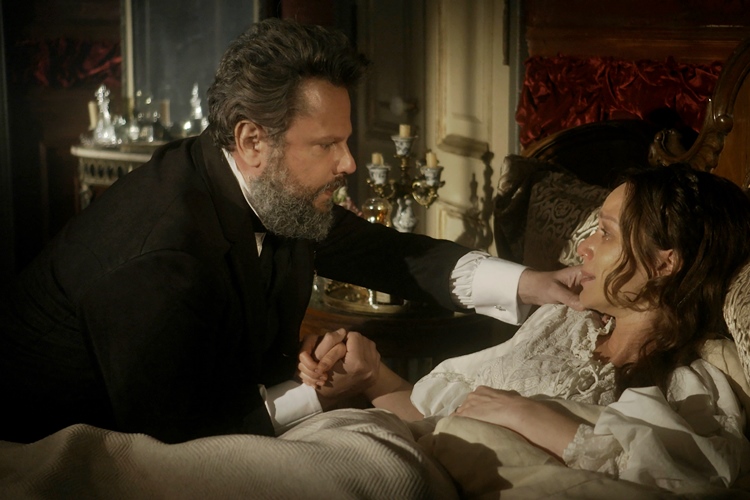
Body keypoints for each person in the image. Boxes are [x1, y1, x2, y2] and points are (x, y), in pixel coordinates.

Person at [0, 18, 581, 444]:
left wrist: (531, 282)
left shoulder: (267, 188)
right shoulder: (157, 255)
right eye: (327, 145)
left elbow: (388, 252)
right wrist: (321, 393)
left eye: (345, 141)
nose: (349, 162)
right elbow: (178, 443)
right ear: (253, 141)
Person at [301, 163, 750, 490]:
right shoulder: (561, 323)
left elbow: (693, 480)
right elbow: (433, 417)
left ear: (664, 263)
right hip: (395, 456)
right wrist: (372, 376)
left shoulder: (694, 381)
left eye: (606, 233)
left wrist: (529, 416)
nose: (585, 247)